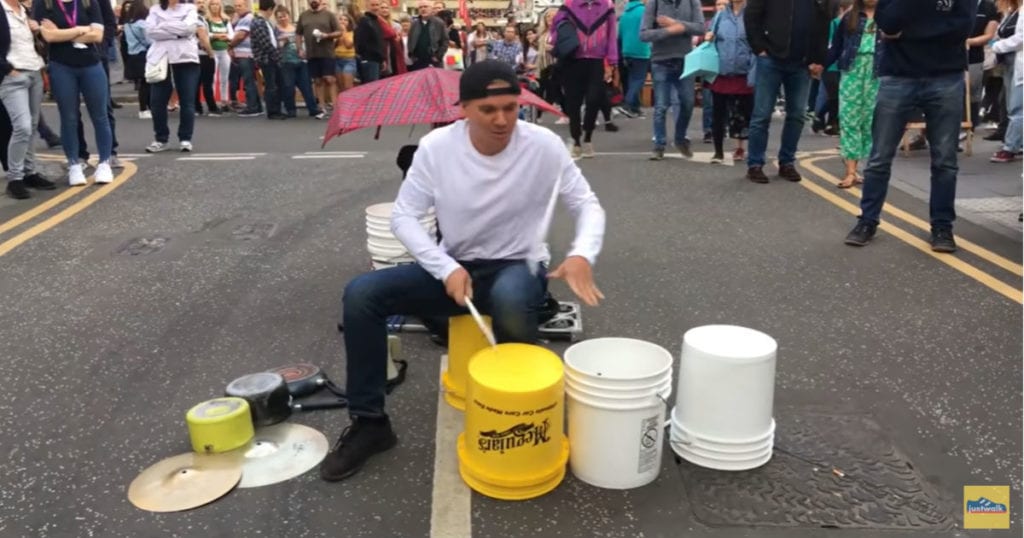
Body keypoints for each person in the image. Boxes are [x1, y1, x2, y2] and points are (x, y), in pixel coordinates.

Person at [319, 60, 606, 481]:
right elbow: (404, 217)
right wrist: (444, 266)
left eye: (511, 107)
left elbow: (586, 203)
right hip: (455, 267)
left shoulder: (544, 145)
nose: (503, 119)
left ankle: (518, 409)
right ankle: (370, 424)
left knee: (510, 299)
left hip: (518, 264)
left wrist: (582, 253)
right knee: (361, 294)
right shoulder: (437, 148)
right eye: (488, 110)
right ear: (464, 109)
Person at [843, 0, 974, 252]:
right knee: (880, 157)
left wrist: (909, 33)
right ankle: (867, 221)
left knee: (945, 160)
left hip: (945, 77)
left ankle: (942, 227)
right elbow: (888, 23)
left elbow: (961, 28)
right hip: (898, 76)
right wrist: (929, 28)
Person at [743, 0, 833, 183]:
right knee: (761, 114)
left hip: (802, 63)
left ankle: (787, 162)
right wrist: (759, 47)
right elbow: (752, 15)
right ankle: (755, 164)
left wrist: (818, 59)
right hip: (770, 59)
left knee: (798, 115)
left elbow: (823, 25)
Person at [34, 0, 113, 186]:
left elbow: (98, 36)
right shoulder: (44, 4)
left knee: (100, 116)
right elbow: (48, 36)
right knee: (69, 117)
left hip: (91, 64)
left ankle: (104, 163)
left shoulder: (88, 2)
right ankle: (74, 165)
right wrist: (81, 30)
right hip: (61, 66)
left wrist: (62, 33)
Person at [143, 0, 214, 152]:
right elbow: (150, 31)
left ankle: (185, 138)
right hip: (161, 58)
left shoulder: (189, 8)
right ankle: (161, 138)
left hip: (186, 57)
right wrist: (177, 31)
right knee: (157, 102)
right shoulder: (155, 10)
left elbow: (189, 29)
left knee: (187, 101)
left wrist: (163, 26)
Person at [551, 0, 618, 159]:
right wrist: (555, 42)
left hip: (596, 61)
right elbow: (555, 28)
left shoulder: (607, 6)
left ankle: (588, 136)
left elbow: (611, 35)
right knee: (573, 102)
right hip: (573, 60)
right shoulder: (568, 5)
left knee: (594, 99)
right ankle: (576, 140)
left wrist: (612, 62)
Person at [2, 0, 54, 200]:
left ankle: (30, 173)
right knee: (22, 127)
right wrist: (8, 70)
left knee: (32, 126)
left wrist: (38, 29)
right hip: (12, 76)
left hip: (34, 71)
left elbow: (35, 43)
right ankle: (15, 178)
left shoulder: (26, 11)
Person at [639, 0, 702, 161]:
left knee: (688, 103)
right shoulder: (654, 3)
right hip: (661, 60)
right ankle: (659, 145)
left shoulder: (692, 2)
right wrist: (670, 31)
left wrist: (677, 24)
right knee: (661, 105)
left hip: (685, 60)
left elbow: (701, 27)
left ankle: (680, 139)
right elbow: (644, 34)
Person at [827, 0, 880, 188]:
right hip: (852, 71)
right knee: (849, 118)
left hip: (877, 74)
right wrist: (820, 64)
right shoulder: (850, 17)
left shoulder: (889, 17)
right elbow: (836, 47)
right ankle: (850, 171)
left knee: (870, 120)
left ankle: (869, 168)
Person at [704, 0, 753, 164]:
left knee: (744, 115)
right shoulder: (720, 15)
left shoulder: (753, 13)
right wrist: (709, 37)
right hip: (722, 72)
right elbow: (710, 35)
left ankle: (740, 148)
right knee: (718, 114)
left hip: (744, 73)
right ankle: (718, 151)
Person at [991, 0, 1022, 163]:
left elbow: (1021, 38)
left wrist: (997, 46)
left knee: (1017, 108)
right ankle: (1018, 143)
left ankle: (1011, 147)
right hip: (1010, 63)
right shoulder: (1012, 12)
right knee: (1011, 105)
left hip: (1018, 62)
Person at [296, 0, 339, 110]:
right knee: (317, 80)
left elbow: (339, 32)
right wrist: (300, 49)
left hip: (327, 52)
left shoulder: (329, 15)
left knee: (330, 79)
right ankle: (322, 106)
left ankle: (335, 105)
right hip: (312, 53)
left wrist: (327, 35)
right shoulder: (303, 15)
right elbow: (298, 33)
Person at [249, 0, 281, 119]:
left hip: (270, 57)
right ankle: (272, 112)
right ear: (269, 9)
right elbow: (265, 43)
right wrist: (277, 56)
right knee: (270, 85)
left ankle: (276, 110)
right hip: (266, 58)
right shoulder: (258, 22)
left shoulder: (264, 22)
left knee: (274, 85)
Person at [227, 0, 260, 116]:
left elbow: (240, 35)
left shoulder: (247, 18)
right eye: (235, 6)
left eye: (240, 6)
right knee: (250, 80)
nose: (237, 8)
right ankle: (258, 106)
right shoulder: (242, 18)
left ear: (246, 6)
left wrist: (230, 45)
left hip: (246, 54)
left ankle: (252, 107)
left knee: (248, 81)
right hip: (244, 54)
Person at [618, 0, 649, 118]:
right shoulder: (644, 12)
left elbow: (620, 34)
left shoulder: (625, 14)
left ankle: (635, 108)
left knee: (632, 79)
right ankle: (627, 104)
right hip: (641, 49)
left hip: (626, 50)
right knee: (638, 79)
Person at [122, 0, 149, 119]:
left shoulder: (127, 25)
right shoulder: (142, 24)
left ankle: (143, 108)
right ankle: (146, 108)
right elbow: (149, 40)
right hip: (143, 54)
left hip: (133, 55)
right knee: (147, 83)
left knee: (142, 84)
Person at [204, 0, 231, 112]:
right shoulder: (207, 20)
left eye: (217, 4)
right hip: (213, 51)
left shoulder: (225, 20)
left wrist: (222, 36)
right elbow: (206, 35)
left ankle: (224, 101)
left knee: (224, 78)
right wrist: (217, 35)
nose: (215, 7)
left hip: (224, 51)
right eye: (212, 4)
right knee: (213, 78)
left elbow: (231, 35)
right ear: (209, 7)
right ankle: (213, 101)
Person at [406, 0, 446, 70]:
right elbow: (410, 40)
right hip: (418, 61)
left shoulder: (439, 23)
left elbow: (445, 41)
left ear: (431, 8)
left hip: (433, 61)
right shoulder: (414, 24)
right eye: (420, 7)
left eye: (425, 7)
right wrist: (412, 55)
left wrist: (438, 56)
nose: (423, 9)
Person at [353, 0, 385, 82]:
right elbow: (359, 41)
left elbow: (378, 42)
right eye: (373, 5)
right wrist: (365, 58)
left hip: (376, 60)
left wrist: (382, 59)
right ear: (367, 6)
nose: (375, 7)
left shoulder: (375, 21)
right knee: (371, 87)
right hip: (369, 60)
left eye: (377, 5)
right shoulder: (365, 21)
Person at [334, 13, 356, 91]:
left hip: (349, 60)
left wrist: (343, 31)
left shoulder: (352, 33)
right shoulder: (335, 33)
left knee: (348, 86)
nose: (342, 21)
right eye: (340, 19)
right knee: (341, 87)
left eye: (345, 20)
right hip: (337, 60)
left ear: (349, 22)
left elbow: (348, 45)